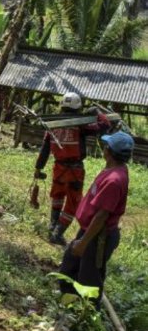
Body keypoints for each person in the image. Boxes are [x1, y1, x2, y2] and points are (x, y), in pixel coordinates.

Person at [58, 131, 132, 305]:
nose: (103, 149)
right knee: (70, 267)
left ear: (109, 151)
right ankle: (70, 305)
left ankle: (88, 316)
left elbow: (101, 216)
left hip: (98, 236)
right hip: (89, 231)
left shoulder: (114, 180)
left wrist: (84, 243)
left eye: (106, 146)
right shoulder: (113, 169)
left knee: (89, 280)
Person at [34, 92, 110, 245]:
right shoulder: (81, 124)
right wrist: (97, 112)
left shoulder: (53, 125)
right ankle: (57, 233)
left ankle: (52, 226)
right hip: (74, 170)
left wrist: (38, 168)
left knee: (57, 196)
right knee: (73, 202)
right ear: (78, 107)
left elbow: (45, 149)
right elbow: (105, 125)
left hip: (58, 167)